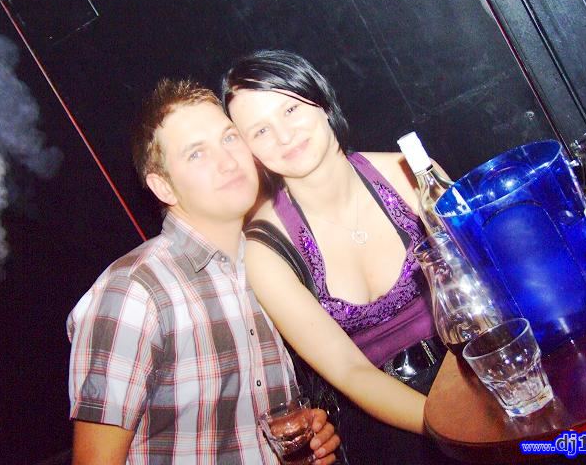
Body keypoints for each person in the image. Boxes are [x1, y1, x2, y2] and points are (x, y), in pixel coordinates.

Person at [66, 79, 341, 464]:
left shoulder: (268, 262)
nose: (228, 161)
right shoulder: (134, 291)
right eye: (196, 154)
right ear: (164, 187)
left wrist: (309, 434)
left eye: (229, 138)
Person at [221, 50, 454, 464]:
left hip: (469, 370)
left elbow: (488, 282)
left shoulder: (410, 176)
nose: (284, 136)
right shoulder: (266, 250)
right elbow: (350, 372)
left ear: (321, 101)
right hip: (386, 420)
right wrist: (451, 427)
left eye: (290, 109)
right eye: (261, 131)